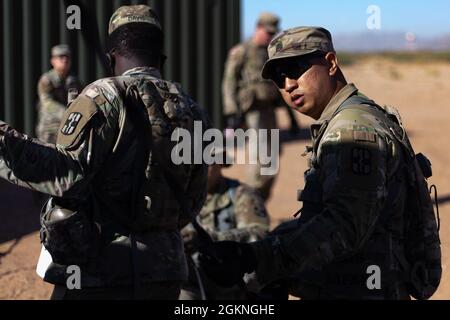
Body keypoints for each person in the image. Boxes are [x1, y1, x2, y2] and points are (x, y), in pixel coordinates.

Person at [199, 26, 441, 300]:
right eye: (279, 78)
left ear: (330, 63)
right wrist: (255, 246)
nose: (288, 84)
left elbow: (345, 227)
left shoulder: (350, 129)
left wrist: (263, 259)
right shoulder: (351, 118)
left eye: (296, 69)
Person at [0, 5, 208, 300]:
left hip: (100, 271)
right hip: (166, 271)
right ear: (161, 57)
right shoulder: (194, 109)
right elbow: (195, 198)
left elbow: (65, 174)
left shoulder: (103, 95)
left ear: (112, 56)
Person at [222, 12, 298, 202]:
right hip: (252, 110)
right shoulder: (242, 51)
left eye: (273, 33)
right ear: (258, 28)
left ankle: (260, 201)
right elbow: (229, 82)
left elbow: (278, 86)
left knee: (273, 156)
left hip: (269, 109)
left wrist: (292, 118)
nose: (270, 36)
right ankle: (251, 202)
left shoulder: (269, 53)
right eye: (267, 32)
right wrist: (231, 111)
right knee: (260, 157)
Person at [179, 149, 269, 300]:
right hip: (190, 282)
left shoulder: (241, 194)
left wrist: (212, 239)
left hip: (230, 286)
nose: (202, 167)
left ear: (221, 162)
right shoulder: (179, 198)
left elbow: (260, 233)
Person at [36, 44, 81, 144]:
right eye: (60, 57)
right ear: (53, 61)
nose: (64, 60)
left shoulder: (74, 81)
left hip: (68, 128)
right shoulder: (47, 80)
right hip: (50, 128)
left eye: (67, 57)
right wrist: (67, 113)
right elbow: (47, 103)